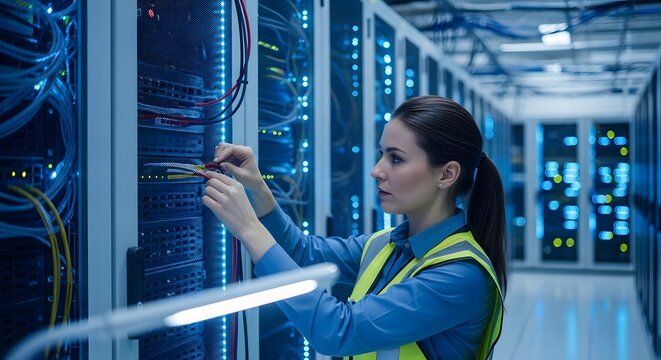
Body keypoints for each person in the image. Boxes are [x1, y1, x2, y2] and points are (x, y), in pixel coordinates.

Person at [202, 95, 506, 360]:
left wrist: (249, 229)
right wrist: (257, 189)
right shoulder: (387, 245)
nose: (377, 171)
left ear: (447, 174)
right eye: (381, 154)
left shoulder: (460, 276)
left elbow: (337, 330)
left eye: (396, 159)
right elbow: (303, 252)